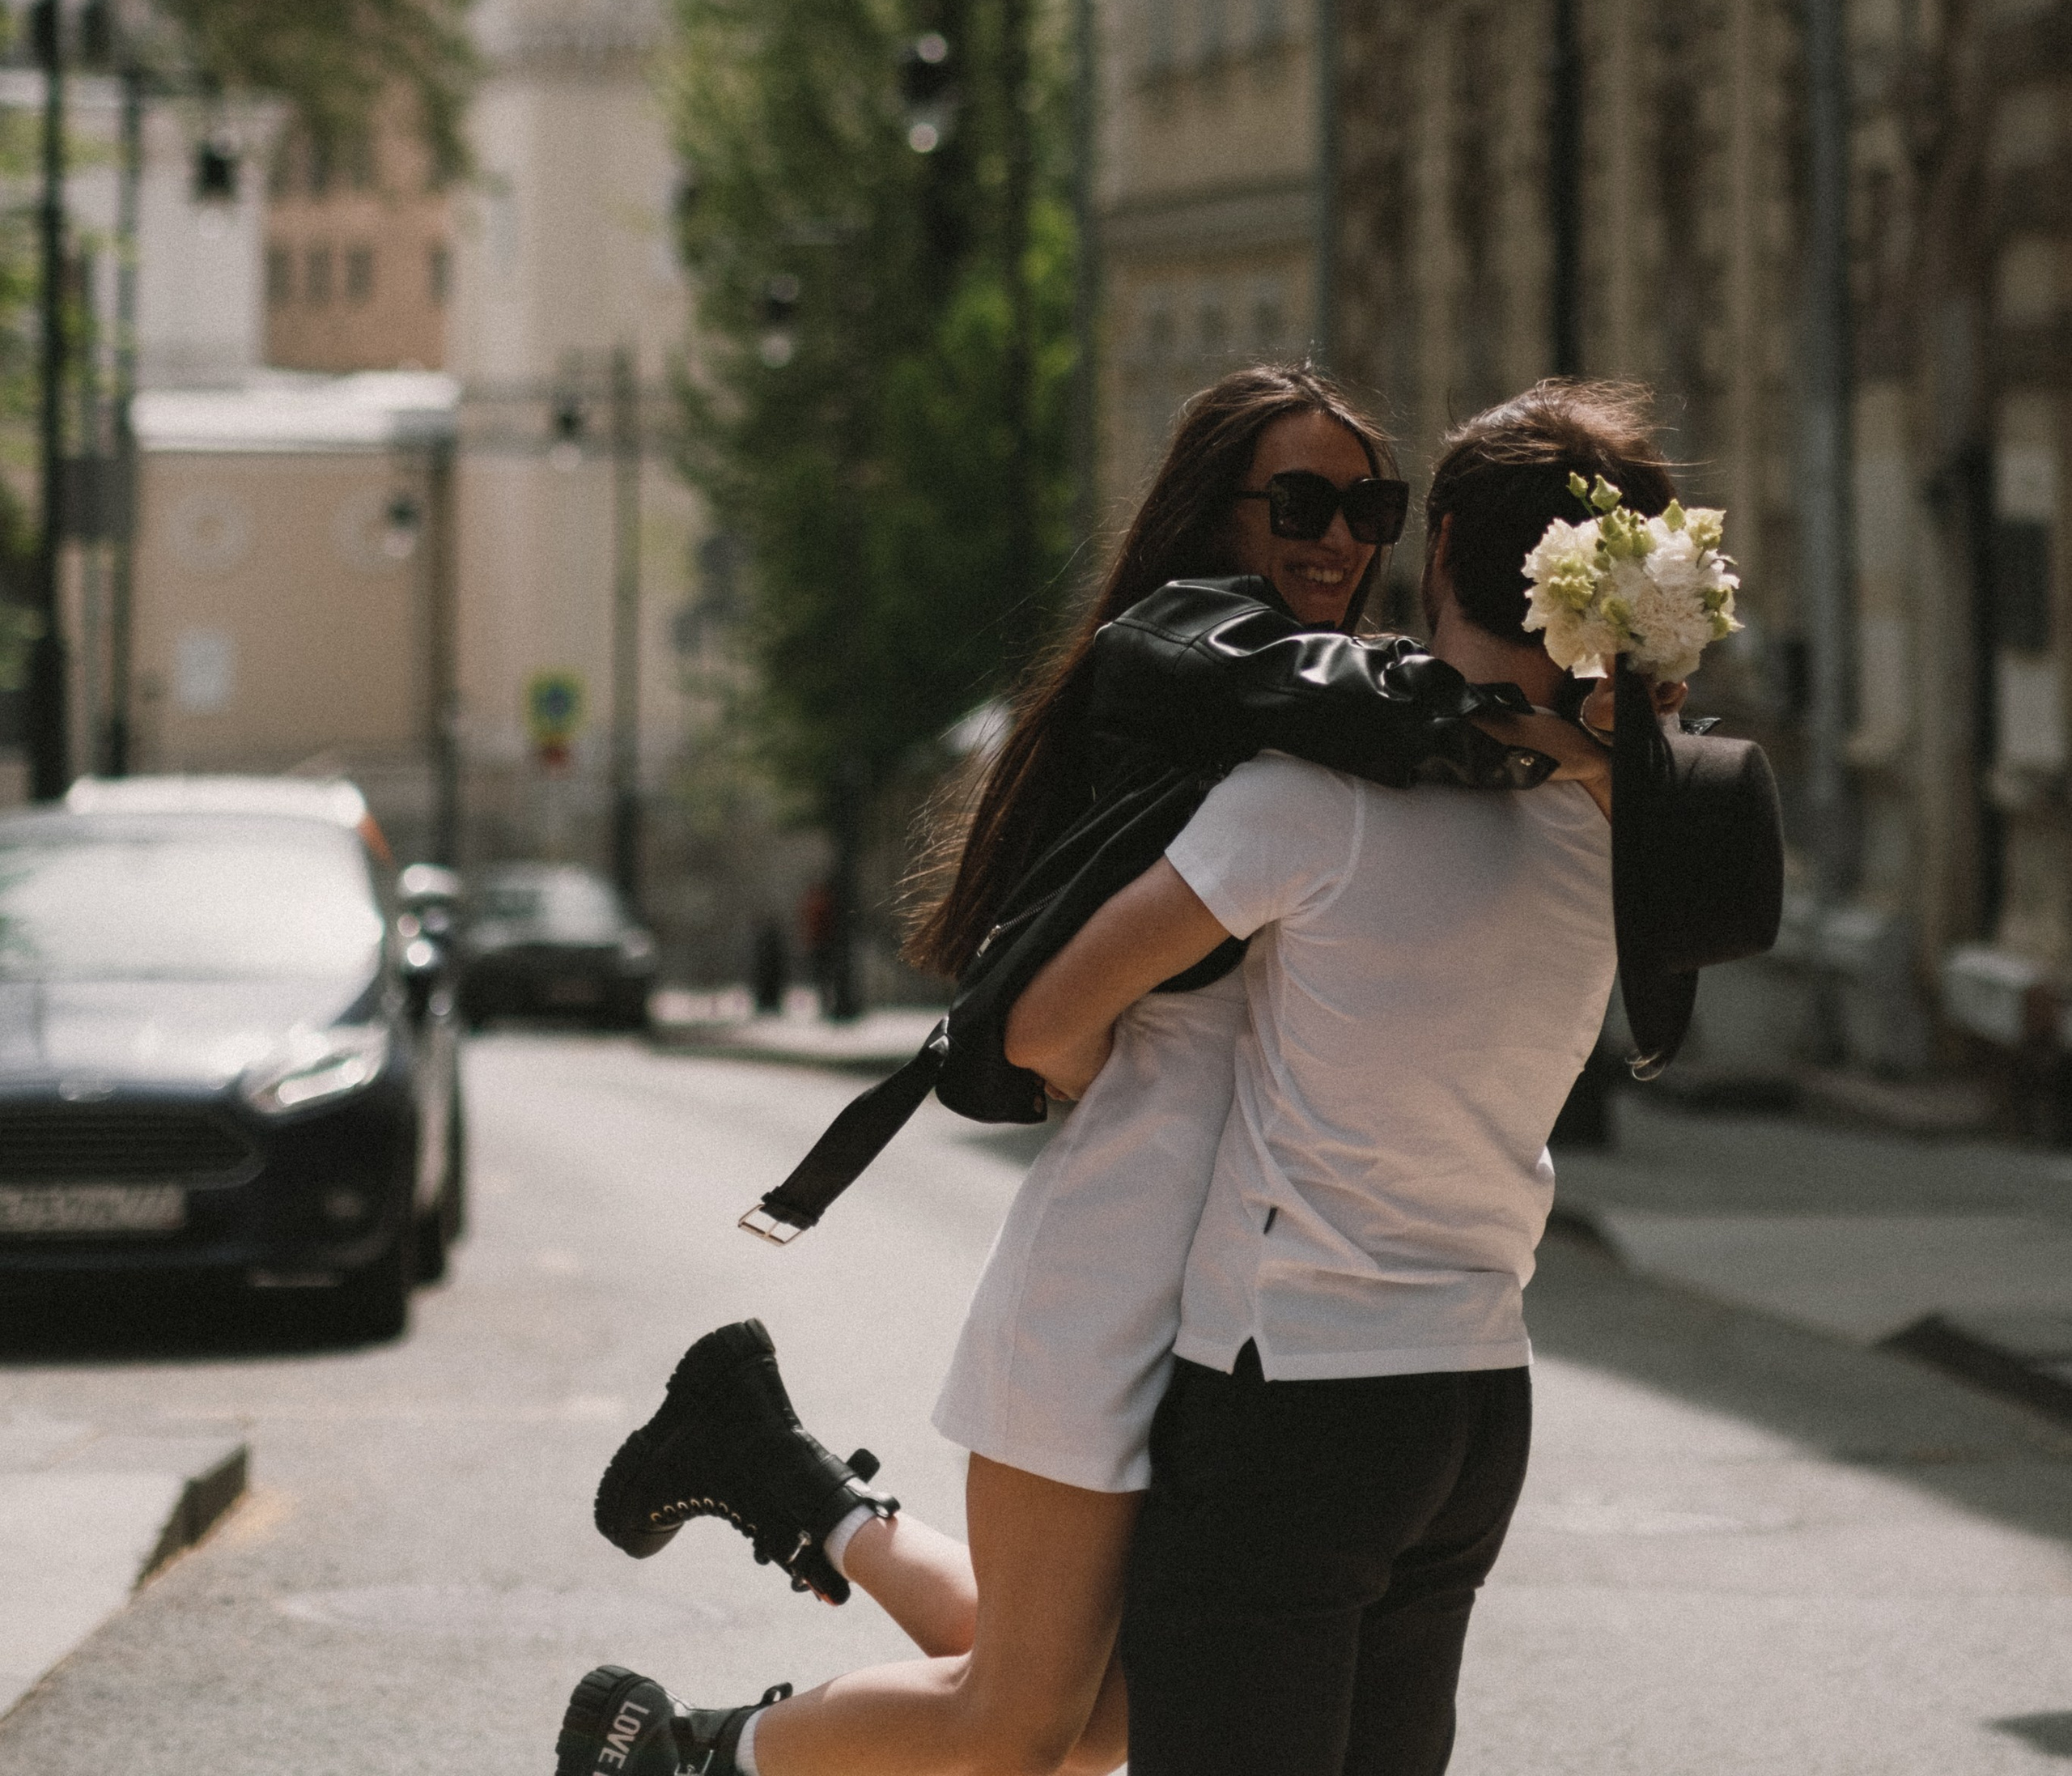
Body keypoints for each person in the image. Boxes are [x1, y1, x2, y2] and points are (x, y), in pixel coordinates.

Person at [553, 366, 1619, 1776]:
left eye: (1371, 505)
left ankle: (787, 1480)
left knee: (1102, 1709)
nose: (1341, 537)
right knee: (1023, 1722)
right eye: (1300, 500)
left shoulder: (1358, 724)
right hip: (1125, 1258)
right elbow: (1051, 1036)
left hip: (1255, 1297)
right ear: (1212, 516)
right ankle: (688, 1753)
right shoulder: (1210, 695)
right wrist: (1166, 1074)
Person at [1013, 380, 1780, 1776]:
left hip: (1290, 1389)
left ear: (1436, 558)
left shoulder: (1307, 802)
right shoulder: (1610, 831)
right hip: (1476, 1395)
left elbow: (1039, 1024)